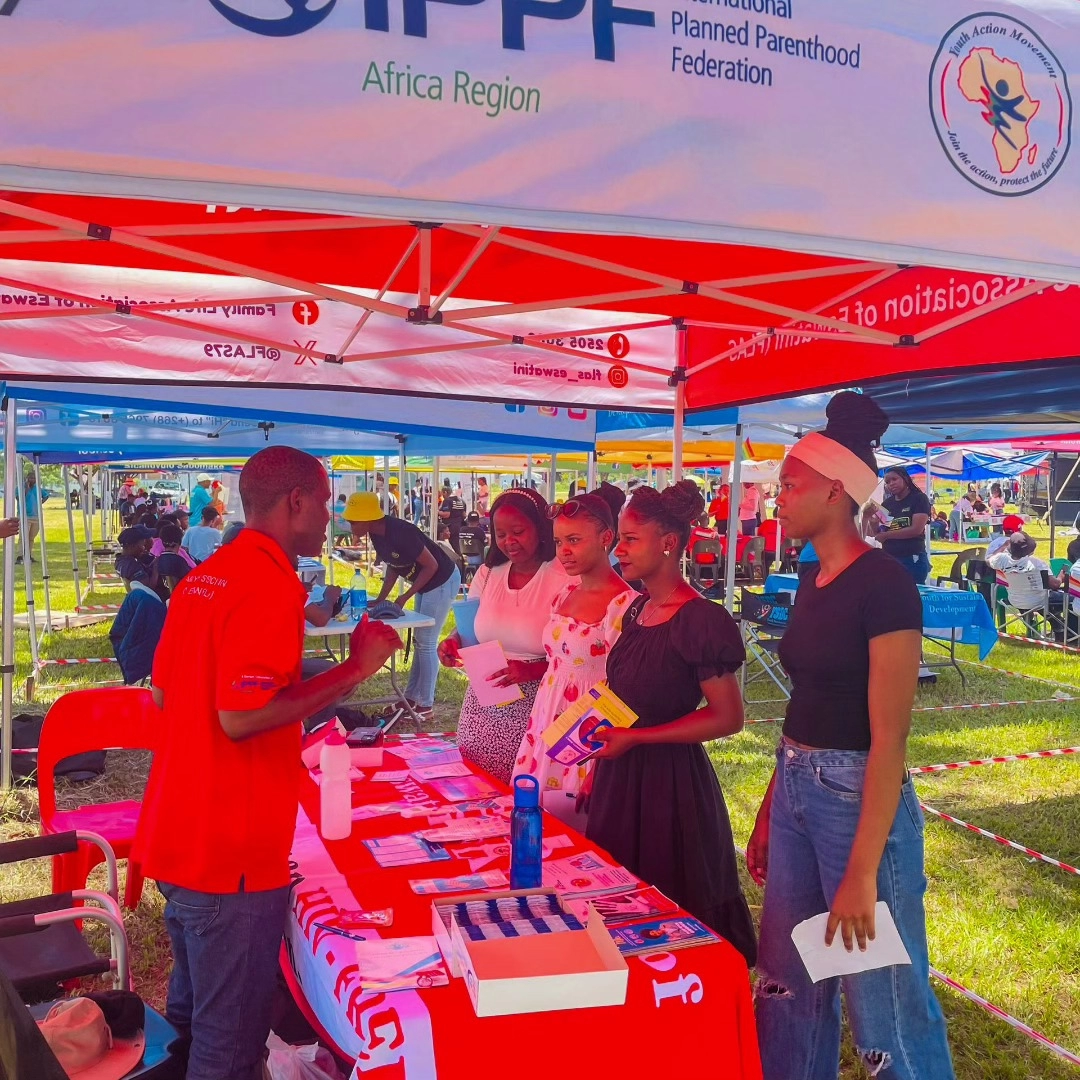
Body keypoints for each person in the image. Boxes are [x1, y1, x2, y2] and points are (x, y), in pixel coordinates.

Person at [135, 447, 402, 1080]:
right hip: (230, 852)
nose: (334, 516)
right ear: (297, 502)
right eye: (330, 501)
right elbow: (242, 716)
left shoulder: (207, 574)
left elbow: (168, 692)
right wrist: (354, 669)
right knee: (228, 1048)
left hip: (182, 830)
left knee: (194, 1026)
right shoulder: (267, 581)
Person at [746, 392, 955, 1080]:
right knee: (786, 982)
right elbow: (806, 697)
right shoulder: (813, 576)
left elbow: (890, 738)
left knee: (882, 1000)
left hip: (857, 797)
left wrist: (862, 873)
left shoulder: (885, 584)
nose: (778, 497)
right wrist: (776, 804)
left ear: (836, 491)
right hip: (800, 786)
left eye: (789, 484)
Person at [583, 481, 756, 966]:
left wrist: (637, 738)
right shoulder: (637, 608)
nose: (618, 550)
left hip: (670, 790)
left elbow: (728, 716)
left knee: (671, 922)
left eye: (630, 539)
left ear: (669, 543)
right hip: (620, 779)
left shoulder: (701, 619)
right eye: (619, 538)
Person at [513, 494, 635, 824]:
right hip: (548, 720)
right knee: (536, 821)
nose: (564, 551)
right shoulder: (564, 594)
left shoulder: (626, 606)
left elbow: (625, 689)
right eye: (558, 541)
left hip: (588, 732)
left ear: (606, 538)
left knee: (579, 823)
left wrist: (598, 761)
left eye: (574, 540)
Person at [438, 488, 568, 783]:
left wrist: (532, 670)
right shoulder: (489, 573)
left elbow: (578, 653)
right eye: (500, 534)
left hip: (539, 704)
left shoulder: (563, 575)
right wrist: (453, 640)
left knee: (522, 791)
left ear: (541, 528)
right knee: (475, 785)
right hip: (485, 701)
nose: (509, 541)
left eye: (518, 531)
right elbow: (471, 626)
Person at [344, 491, 460, 721]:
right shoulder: (377, 534)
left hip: (442, 579)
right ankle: (410, 699)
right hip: (427, 583)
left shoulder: (401, 531)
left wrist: (405, 596)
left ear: (368, 518)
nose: (350, 526)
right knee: (419, 641)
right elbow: (394, 566)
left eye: (353, 521)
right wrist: (381, 598)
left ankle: (425, 705)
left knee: (426, 643)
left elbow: (432, 565)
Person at [988, 531, 1066, 628]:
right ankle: (1067, 631)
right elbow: (1055, 585)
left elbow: (989, 559)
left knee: (1044, 598)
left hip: (1015, 600)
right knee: (1071, 599)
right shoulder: (1037, 563)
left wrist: (1004, 545)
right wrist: (1061, 576)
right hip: (1040, 601)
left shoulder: (1001, 560)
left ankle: (1050, 627)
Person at [877, 466, 932, 584]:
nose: (891, 483)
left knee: (911, 597)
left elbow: (916, 529)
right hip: (889, 558)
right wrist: (868, 518)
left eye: (894, 479)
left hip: (912, 559)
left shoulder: (919, 499)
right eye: (887, 482)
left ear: (905, 479)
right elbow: (880, 531)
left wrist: (887, 536)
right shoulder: (886, 504)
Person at [115, 526, 168, 601]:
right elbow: (148, 588)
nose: (144, 549)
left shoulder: (120, 560)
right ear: (132, 546)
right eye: (142, 545)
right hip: (149, 602)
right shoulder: (132, 565)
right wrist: (156, 568)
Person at [15, 469, 48, 564]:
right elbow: (19, 498)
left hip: (36, 516)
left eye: (34, 478)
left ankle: (28, 555)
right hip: (24, 516)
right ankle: (20, 556)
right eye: (30, 478)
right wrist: (27, 488)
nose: (32, 479)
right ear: (26, 479)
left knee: (31, 537)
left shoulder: (38, 489)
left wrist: (40, 503)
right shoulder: (20, 488)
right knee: (23, 536)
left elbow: (46, 495)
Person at [458, 511, 488, 582]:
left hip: (464, 557)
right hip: (478, 558)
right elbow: (485, 543)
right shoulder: (479, 531)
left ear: (468, 520)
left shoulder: (462, 530)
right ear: (478, 521)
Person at [439, 484, 468, 553]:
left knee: (450, 544)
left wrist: (437, 512)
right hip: (459, 526)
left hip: (450, 526)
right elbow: (464, 515)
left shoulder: (447, 501)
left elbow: (446, 514)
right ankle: (460, 559)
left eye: (442, 493)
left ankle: (457, 560)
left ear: (445, 492)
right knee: (456, 545)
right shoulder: (460, 500)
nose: (442, 495)